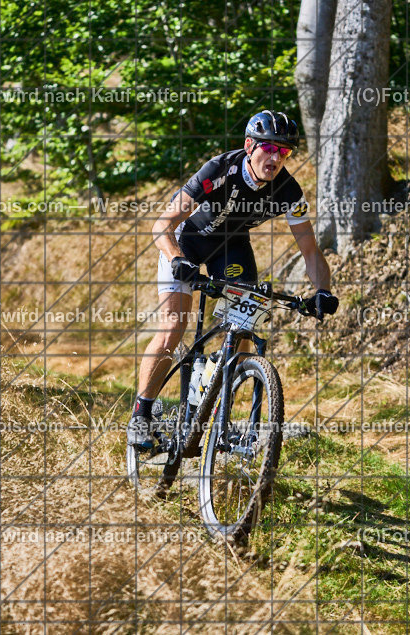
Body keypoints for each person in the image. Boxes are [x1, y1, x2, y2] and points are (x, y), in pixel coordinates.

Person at [127, 110, 340, 449]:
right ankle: (141, 415)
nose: (275, 157)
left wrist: (323, 291)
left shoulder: (289, 191)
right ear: (249, 146)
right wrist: (176, 259)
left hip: (231, 248)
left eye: (283, 152)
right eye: (268, 148)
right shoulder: (218, 171)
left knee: (242, 327)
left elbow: (311, 251)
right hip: (186, 242)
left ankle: (210, 392)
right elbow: (162, 224)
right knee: (173, 328)